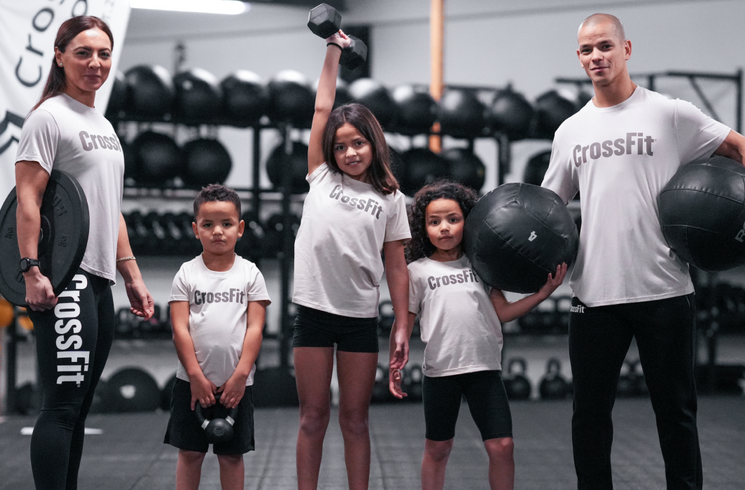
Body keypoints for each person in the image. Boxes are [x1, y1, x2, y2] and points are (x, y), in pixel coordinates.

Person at [539, 13, 745, 490]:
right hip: (594, 294)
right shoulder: (570, 131)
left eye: (606, 46)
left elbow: (740, 147)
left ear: (626, 50)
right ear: (579, 57)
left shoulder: (670, 113)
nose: (597, 57)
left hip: (664, 289)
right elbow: (548, 209)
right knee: (589, 417)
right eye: (588, 50)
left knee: (676, 416)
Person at [13, 15, 155, 490]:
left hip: (99, 280)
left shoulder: (102, 124)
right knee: (61, 406)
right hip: (64, 279)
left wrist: (131, 275)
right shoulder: (48, 118)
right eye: (83, 53)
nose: (95, 63)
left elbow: (107, 207)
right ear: (59, 56)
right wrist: (32, 269)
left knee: (79, 406)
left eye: (103, 54)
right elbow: (28, 199)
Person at [292, 29, 412, 490]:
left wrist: (402, 324)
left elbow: (397, 265)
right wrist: (333, 49)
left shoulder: (389, 198)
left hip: (360, 317)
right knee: (312, 417)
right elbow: (323, 107)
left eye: (357, 143)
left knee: (356, 420)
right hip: (315, 313)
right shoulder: (320, 177)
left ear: (372, 142)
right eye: (340, 146)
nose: (349, 153)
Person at [394, 181, 566, 490]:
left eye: (452, 219)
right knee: (438, 449)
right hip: (441, 372)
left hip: (485, 370)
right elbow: (404, 321)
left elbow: (500, 313)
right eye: (434, 222)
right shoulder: (416, 271)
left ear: (468, 222)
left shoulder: (483, 265)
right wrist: (398, 351)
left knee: (502, 447)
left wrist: (543, 294)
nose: (444, 228)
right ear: (424, 228)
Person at [165, 184, 270, 490]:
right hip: (191, 383)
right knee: (190, 453)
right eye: (208, 225)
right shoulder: (186, 274)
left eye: (226, 224)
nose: (218, 232)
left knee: (232, 457)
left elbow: (255, 329)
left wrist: (241, 375)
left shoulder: (251, 274)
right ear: (196, 230)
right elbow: (179, 329)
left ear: (240, 229)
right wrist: (195, 376)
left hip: (236, 386)